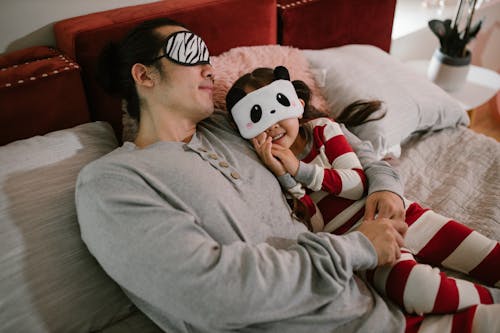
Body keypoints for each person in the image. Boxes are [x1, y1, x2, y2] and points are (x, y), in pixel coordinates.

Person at [75, 17, 500, 333]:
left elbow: (339, 138)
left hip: (376, 303)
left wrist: (386, 184)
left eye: (208, 57)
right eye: (189, 54)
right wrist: (356, 249)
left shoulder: (232, 126)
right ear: (143, 74)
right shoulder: (112, 182)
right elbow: (212, 294)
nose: (209, 68)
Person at [225, 65, 500, 316]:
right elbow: (315, 223)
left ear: (296, 104)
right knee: (419, 290)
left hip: (394, 213)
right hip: (365, 244)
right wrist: (284, 176)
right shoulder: (268, 172)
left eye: (277, 109)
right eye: (258, 119)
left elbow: (357, 185)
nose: (272, 126)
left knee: (488, 256)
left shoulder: (323, 130)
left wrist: (299, 169)